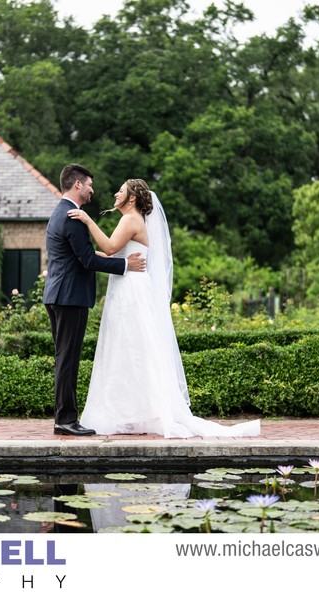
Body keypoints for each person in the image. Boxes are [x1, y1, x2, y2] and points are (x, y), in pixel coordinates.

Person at [69, 179, 261, 438]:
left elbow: (111, 247)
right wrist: (88, 257)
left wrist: (87, 220)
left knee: (131, 346)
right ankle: (134, 413)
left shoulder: (130, 219)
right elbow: (115, 255)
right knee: (132, 349)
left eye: (121, 190)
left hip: (130, 291)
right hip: (130, 286)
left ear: (132, 198)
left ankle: (130, 413)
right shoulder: (133, 220)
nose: (116, 193)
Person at [44, 164, 146, 437]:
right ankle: (66, 420)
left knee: (64, 358)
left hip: (58, 294)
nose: (92, 189)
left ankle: (62, 418)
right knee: (68, 359)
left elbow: (81, 256)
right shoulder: (73, 217)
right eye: (89, 184)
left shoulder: (59, 213)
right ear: (77, 185)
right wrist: (125, 265)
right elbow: (88, 260)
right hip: (70, 296)